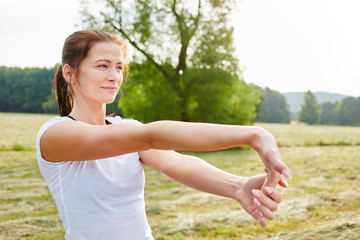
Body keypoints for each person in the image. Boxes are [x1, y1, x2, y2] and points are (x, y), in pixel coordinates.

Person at [36, 29, 291, 240]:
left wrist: (237, 187)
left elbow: (177, 162)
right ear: (69, 73)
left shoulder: (128, 128)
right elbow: (151, 136)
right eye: (102, 66)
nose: (114, 76)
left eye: (118, 67)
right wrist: (254, 135)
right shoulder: (56, 134)